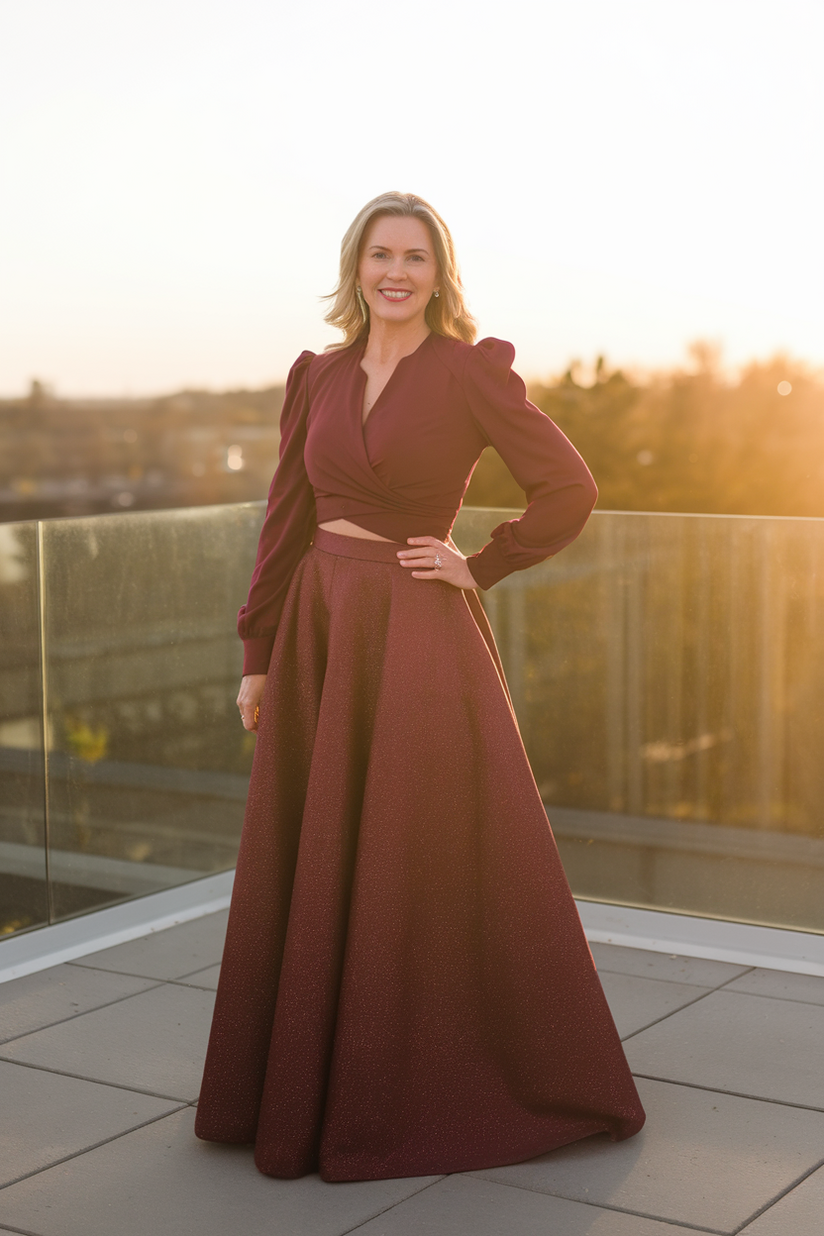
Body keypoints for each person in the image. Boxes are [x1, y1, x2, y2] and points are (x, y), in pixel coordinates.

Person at [195, 191, 645, 1181]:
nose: (394, 272)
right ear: (354, 268)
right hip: (321, 623)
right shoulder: (313, 375)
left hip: (413, 628)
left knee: (415, 850)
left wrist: (477, 565)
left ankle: (404, 1087)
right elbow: (283, 519)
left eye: (414, 256)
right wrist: (256, 654)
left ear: (438, 274)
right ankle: (303, 1083)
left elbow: (567, 487)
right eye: (378, 254)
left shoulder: (467, 374)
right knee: (321, 851)